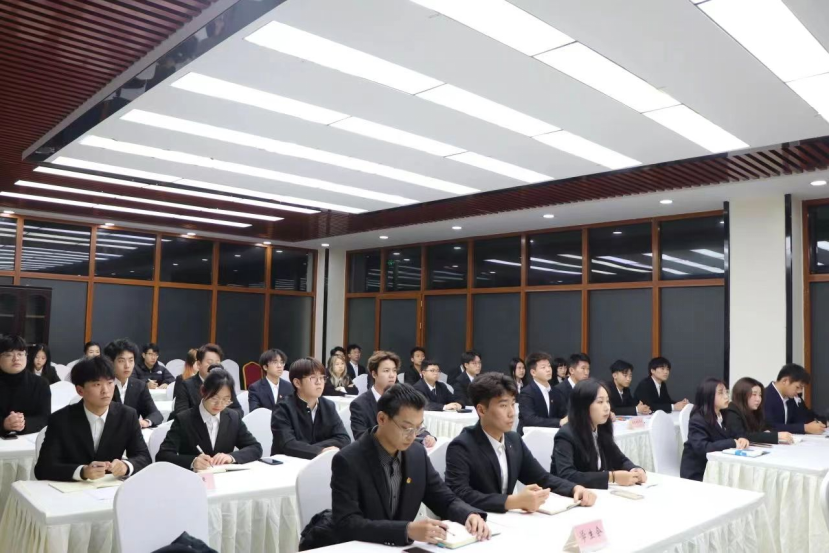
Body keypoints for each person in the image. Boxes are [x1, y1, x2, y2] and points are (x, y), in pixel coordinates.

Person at [331, 384, 491, 547]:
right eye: (406, 428)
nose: (413, 436)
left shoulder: (417, 454)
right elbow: (347, 523)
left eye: (418, 427)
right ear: (382, 419)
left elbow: (443, 498)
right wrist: (406, 530)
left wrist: (469, 515)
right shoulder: (348, 460)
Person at [446, 373, 595, 514]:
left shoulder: (514, 440)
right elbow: (460, 494)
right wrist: (513, 501)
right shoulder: (462, 446)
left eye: (512, 404)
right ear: (481, 410)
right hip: (476, 521)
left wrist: (574, 488)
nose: (512, 413)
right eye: (503, 406)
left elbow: (542, 477)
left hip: (506, 519)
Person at [35, 356, 151, 482]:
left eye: (110, 383)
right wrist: (82, 471)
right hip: (72, 488)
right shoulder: (60, 419)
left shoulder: (127, 416)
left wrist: (126, 466)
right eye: (97, 384)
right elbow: (43, 468)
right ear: (80, 390)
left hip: (109, 488)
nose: (105, 391)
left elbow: (144, 457)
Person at [158, 369, 262, 470]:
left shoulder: (233, 417)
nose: (219, 404)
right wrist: (192, 461)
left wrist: (231, 457)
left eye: (226, 400)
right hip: (194, 477)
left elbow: (255, 447)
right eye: (214, 398)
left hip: (225, 477)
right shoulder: (184, 419)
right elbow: (163, 455)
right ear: (203, 391)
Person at [552, 379, 646, 489]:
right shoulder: (566, 435)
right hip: (569, 495)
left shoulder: (601, 428)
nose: (607, 407)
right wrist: (612, 477)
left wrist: (635, 470)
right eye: (600, 402)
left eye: (607, 401)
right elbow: (567, 475)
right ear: (583, 405)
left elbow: (619, 459)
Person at [350, 351, 436, 447]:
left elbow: (416, 425)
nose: (392, 375)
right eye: (386, 371)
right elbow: (361, 437)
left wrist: (427, 437)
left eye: (394, 371)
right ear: (374, 374)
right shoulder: (359, 404)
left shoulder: (402, 398)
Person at [271, 357, 351, 459]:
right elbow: (288, 444)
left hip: (321, 462)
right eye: (313, 378)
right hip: (288, 463)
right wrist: (320, 450)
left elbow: (344, 438)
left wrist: (310, 449)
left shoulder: (328, 406)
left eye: (322, 377)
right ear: (297, 383)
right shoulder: (282, 408)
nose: (319, 382)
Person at [680, 378, 749, 482]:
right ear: (708, 396)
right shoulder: (698, 420)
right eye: (721, 393)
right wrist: (731, 443)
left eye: (726, 392)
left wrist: (742, 438)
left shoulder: (724, 414)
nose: (726, 396)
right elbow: (703, 448)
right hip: (699, 472)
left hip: (718, 469)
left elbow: (735, 433)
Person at [172, 344, 243, 419]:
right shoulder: (186, 385)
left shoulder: (225, 384)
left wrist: (220, 418)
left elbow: (238, 411)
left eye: (217, 363)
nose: (214, 366)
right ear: (199, 364)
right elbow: (181, 413)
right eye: (210, 362)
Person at [105, 339, 162, 428]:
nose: (127, 365)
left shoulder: (139, 386)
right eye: (121, 361)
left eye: (131, 360)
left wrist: (146, 422)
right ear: (111, 362)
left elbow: (156, 414)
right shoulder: (103, 385)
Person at [1, 335, 50, 438]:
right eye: (9, 355)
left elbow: (44, 418)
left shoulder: (41, 384)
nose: (16, 359)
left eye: (20, 354)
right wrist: (4, 424)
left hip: (28, 440)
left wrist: (23, 423)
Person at [723, 377, 794, 445]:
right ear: (742, 394)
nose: (758, 399)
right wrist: (776, 436)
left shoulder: (755, 410)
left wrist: (768, 432)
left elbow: (767, 427)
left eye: (760, 395)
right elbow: (742, 436)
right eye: (754, 394)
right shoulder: (732, 410)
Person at [764, 364, 826, 435]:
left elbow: (803, 417)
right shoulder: (765, 396)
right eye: (797, 387)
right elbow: (770, 427)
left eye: (802, 388)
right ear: (785, 381)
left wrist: (822, 422)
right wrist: (804, 428)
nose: (799, 391)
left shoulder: (791, 397)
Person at [518, 352, 565, 434]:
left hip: (551, 435)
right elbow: (530, 419)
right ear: (533, 372)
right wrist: (559, 422)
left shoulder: (555, 391)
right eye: (543, 367)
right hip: (529, 437)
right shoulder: (526, 392)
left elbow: (563, 412)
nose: (548, 369)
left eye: (549, 366)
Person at [551, 354, 592, 419]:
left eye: (588, 369)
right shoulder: (559, 390)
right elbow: (563, 414)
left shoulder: (589, 388)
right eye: (583, 368)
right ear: (571, 370)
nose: (586, 372)